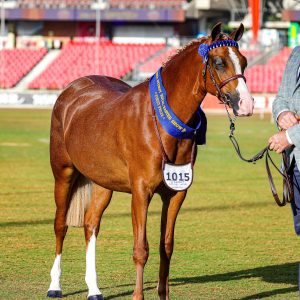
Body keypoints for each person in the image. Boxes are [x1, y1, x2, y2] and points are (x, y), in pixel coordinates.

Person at [269, 46, 300, 235]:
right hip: (294, 163)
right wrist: (282, 114)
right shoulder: (296, 53)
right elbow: (281, 97)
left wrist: (289, 136)